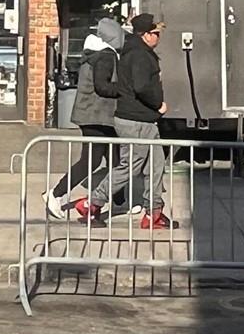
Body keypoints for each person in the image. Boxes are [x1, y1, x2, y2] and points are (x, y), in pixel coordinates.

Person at [97, 12, 177, 229]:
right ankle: (92, 203)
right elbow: (141, 87)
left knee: (156, 166)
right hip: (136, 120)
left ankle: (153, 213)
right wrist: (158, 104)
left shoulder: (137, 52)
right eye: (156, 33)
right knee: (130, 167)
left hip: (145, 120)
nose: (158, 37)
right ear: (146, 35)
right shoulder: (139, 55)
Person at [47, 16, 124, 220]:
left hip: (95, 114)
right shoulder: (106, 56)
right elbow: (102, 87)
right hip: (97, 115)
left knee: (115, 158)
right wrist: (124, 89)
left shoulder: (93, 53)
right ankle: (56, 194)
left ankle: (120, 199)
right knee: (91, 161)